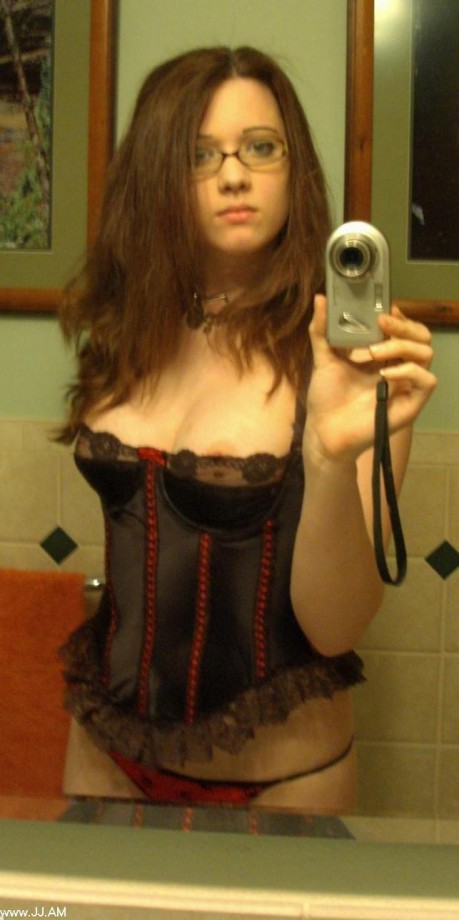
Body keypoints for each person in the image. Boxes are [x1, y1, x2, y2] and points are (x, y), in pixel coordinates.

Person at [58, 46, 436, 812]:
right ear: (157, 174)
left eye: (260, 147)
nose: (233, 175)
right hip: (102, 753)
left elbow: (334, 629)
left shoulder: (351, 359)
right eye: (200, 155)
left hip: (280, 780)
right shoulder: (127, 331)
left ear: (294, 169)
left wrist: (325, 457)